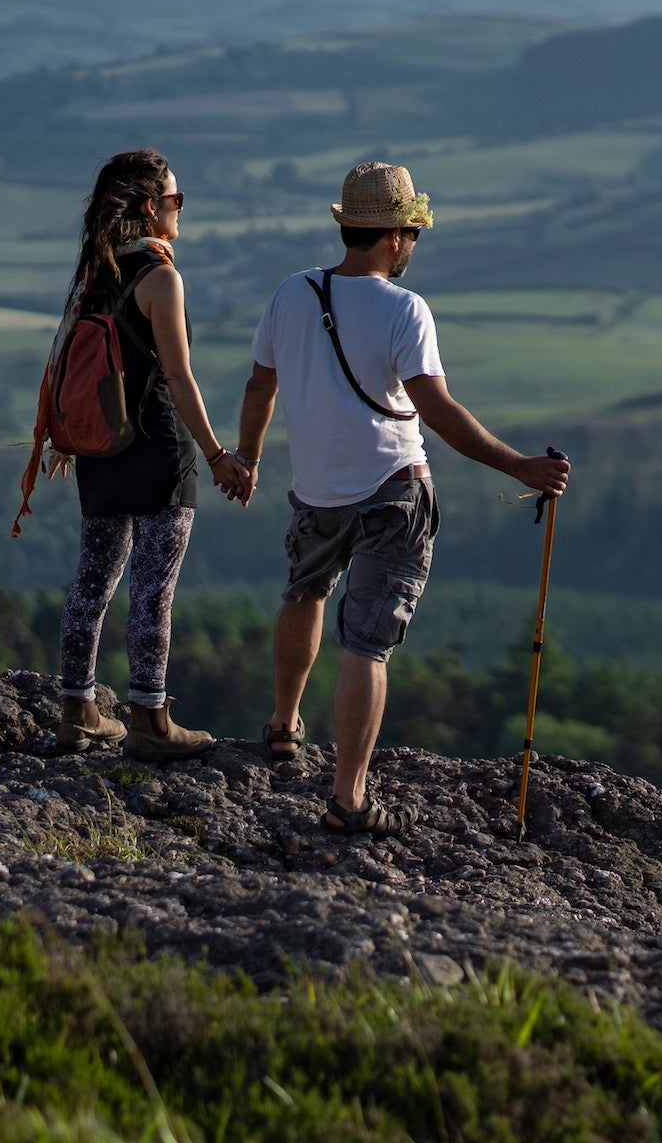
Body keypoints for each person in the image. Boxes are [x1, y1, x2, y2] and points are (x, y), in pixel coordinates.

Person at [229, 162, 569, 834]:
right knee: (368, 643)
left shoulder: (291, 294)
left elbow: (259, 386)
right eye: (413, 232)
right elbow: (436, 412)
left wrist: (247, 458)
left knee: (304, 592)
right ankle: (350, 798)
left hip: (315, 490)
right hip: (392, 491)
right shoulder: (405, 309)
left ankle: (283, 724)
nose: (414, 244)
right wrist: (519, 466)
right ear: (393, 236)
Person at [50, 148, 255, 756]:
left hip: (102, 448)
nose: (180, 210)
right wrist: (219, 455)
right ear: (150, 207)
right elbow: (180, 377)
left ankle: (78, 709)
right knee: (152, 591)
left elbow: (68, 359)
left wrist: (65, 436)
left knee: (92, 582)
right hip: (160, 450)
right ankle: (149, 720)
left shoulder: (96, 271)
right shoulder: (161, 278)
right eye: (176, 199)